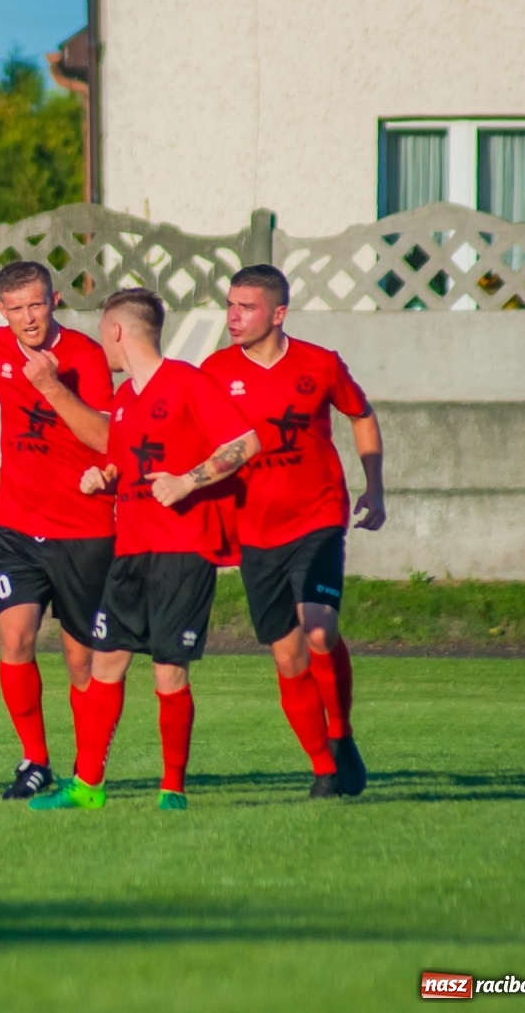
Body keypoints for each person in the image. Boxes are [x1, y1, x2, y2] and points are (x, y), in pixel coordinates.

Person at [30, 288, 258, 812]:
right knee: (105, 663)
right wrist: (102, 476)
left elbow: (244, 443)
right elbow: (125, 467)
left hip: (184, 548)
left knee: (167, 671)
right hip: (130, 551)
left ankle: (172, 787)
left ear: (117, 331)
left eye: (102, 332)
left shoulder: (188, 382)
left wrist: (187, 481)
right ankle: (88, 786)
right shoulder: (126, 398)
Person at [0, 261, 115, 799]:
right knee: (15, 641)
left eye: (36, 304)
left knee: (81, 660)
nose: (28, 318)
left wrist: (51, 385)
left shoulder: (84, 355)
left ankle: (86, 775)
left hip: (83, 530)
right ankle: (35, 761)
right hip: (15, 524)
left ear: (54, 299)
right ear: (1, 310)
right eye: (16, 309)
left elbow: (105, 436)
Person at [201, 264, 384, 796]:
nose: (234, 317)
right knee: (288, 655)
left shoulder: (320, 363)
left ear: (278, 313)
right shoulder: (213, 371)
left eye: (247, 307)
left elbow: (362, 413)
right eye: (230, 305)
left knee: (321, 629)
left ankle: (341, 732)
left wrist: (374, 486)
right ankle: (322, 767)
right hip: (254, 529)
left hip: (318, 516)